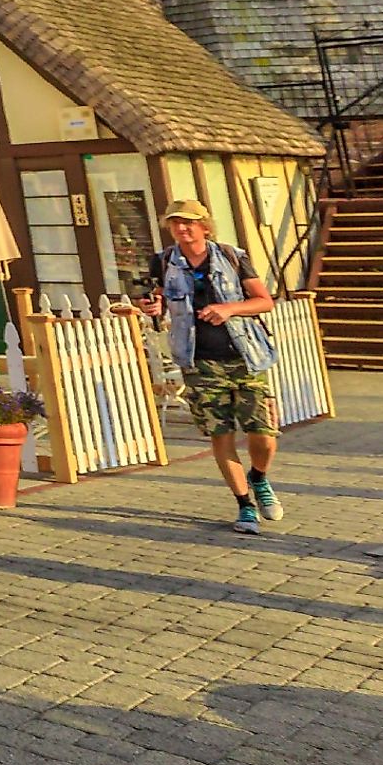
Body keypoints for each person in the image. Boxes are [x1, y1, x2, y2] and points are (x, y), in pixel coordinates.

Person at [138, 199, 283, 535]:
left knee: (264, 434)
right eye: (175, 223)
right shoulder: (163, 261)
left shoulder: (232, 256)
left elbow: (265, 301)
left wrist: (229, 309)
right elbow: (159, 299)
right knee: (221, 435)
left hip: (245, 356)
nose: (181, 229)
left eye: (188, 222)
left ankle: (258, 478)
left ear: (205, 225)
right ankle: (245, 505)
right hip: (199, 361)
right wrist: (151, 305)